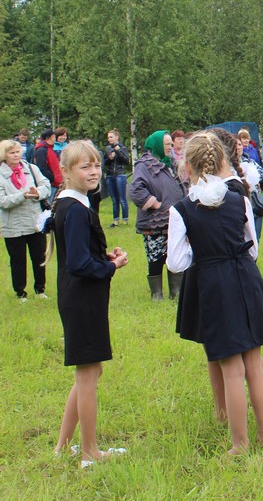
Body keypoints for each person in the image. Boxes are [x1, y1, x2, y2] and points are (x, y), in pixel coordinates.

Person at [166, 132, 263, 454]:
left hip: (214, 284)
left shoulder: (181, 210)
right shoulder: (239, 199)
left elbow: (176, 263)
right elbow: (253, 249)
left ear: (187, 167)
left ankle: (239, 444)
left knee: (231, 370)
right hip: (246, 278)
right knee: (253, 365)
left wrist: (201, 251)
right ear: (220, 162)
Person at [51, 141, 130, 468]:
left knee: (90, 370)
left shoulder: (69, 203)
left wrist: (103, 256)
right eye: (85, 166)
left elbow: (79, 253)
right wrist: (111, 266)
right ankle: (89, 453)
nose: (94, 171)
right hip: (82, 298)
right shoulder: (76, 209)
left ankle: (62, 446)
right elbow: (79, 264)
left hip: (79, 297)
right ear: (67, 172)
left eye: (96, 164)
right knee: (87, 375)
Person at [129, 130, 185, 301]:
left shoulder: (169, 163)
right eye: (167, 144)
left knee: (173, 254)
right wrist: (155, 204)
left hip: (172, 219)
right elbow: (136, 190)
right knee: (156, 258)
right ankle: (157, 295)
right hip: (154, 222)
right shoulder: (144, 165)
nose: (170, 147)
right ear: (157, 145)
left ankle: (175, 293)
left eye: (170, 144)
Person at [0, 139, 51, 301]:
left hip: (35, 222)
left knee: (39, 258)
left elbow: (46, 186)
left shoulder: (31, 168)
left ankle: (40, 289)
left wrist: (37, 193)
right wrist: (22, 196)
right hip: (13, 225)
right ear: (4, 155)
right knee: (18, 260)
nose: (16, 155)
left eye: (17, 151)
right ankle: (20, 292)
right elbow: (3, 201)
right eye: (11, 152)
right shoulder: (1, 175)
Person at [103, 130, 131, 227]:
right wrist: (109, 158)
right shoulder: (107, 148)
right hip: (110, 175)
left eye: (111, 137)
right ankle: (115, 220)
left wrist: (118, 151)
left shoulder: (123, 148)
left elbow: (126, 161)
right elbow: (104, 163)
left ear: (117, 137)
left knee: (122, 198)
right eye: (108, 137)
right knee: (114, 200)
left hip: (120, 174)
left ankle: (125, 219)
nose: (109, 139)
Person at [34, 129, 62, 201]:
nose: (55, 139)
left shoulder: (50, 148)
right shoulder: (42, 150)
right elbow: (41, 168)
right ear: (50, 137)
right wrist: (52, 178)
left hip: (55, 182)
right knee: (49, 204)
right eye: (54, 137)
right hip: (50, 183)